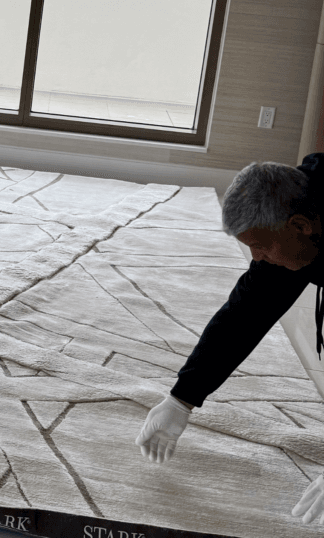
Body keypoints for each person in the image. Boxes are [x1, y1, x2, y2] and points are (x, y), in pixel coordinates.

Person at [133, 155, 324, 526]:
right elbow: (246, 313)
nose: (257, 258)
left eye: (261, 246)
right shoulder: (297, 215)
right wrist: (181, 397)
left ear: (300, 226)